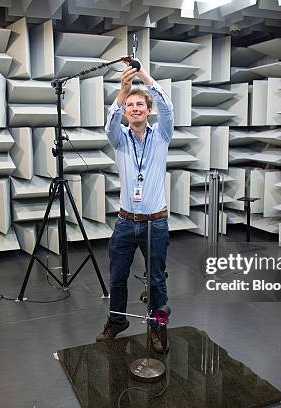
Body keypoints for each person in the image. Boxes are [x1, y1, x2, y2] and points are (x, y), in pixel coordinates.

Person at [96, 62, 174, 353]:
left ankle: (158, 327)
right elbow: (109, 123)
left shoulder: (163, 135)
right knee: (117, 277)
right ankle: (117, 321)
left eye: (140, 104)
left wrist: (146, 79)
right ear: (125, 111)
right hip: (126, 222)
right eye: (130, 105)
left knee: (156, 280)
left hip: (156, 222)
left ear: (148, 110)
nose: (135, 108)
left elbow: (168, 110)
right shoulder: (119, 139)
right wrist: (122, 91)